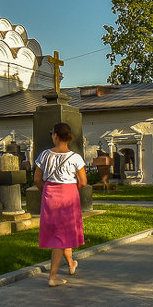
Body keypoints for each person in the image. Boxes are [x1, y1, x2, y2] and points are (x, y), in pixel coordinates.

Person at [33, 122, 87, 287]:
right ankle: (53, 276)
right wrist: (70, 190)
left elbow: (36, 179)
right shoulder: (75, 157)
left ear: (55, 136)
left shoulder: (45, 155)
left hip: (50, 194)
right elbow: (83, 182)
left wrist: (46, 190)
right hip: (69, 194)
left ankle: (71, 264)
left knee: (61, 232)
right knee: (61, 235)